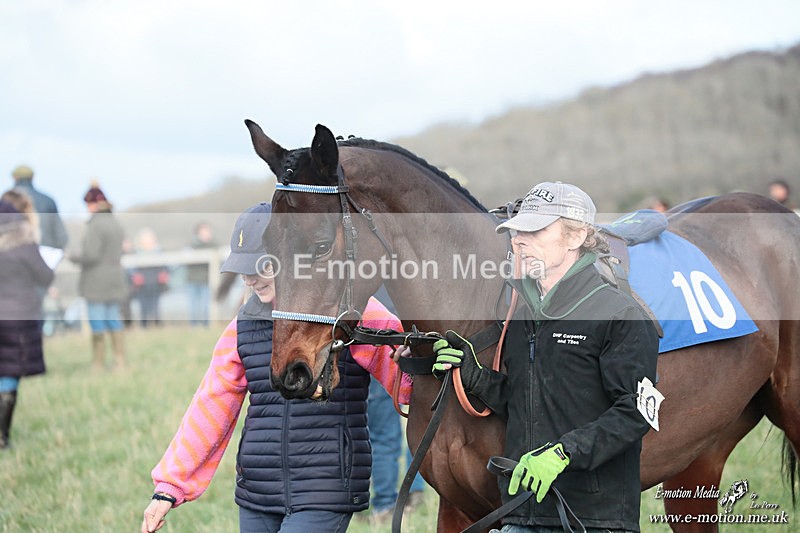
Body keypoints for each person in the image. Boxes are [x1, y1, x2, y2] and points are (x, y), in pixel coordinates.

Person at [141, 202, 412, 533]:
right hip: (258, 490)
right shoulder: (242, 326)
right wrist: (170, 486)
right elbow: (210, 405)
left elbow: (407, 381)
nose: (250, 279)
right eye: (244, 270)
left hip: (325, 487)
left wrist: (412, 362)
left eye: (261, 267)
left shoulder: (349, 309)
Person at [432, 181, 660, 532]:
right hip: (523, 513)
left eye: (535, 231)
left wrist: (562, 454)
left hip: (593, 520)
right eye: (516, 232)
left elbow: (636, 414)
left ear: (576, 236)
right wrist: (472, 373)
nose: (519, 241)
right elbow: (527, 401)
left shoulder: (620, 313)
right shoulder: (525, 316)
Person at [367, 285, 426, 523]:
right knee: (418, 422)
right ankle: (416, 488)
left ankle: (384, 505)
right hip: (409, 344)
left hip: (378, 344)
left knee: (383, 435)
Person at [0, 200, 54, 449]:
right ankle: (2, 437)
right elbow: (45, 275)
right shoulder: (24, 245)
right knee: (9, 373)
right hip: (17, 318)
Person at [68, 182, 128, 370]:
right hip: (114, 278)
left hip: (96, 281)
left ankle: (98, 363)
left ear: (93, 204)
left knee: (97, 322)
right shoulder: (115, 222)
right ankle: (119, 361)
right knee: (113, 319)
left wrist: (73, 255)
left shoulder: (95, 225)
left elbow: (91, 254)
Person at [10, 165, 68, 251]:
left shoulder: (4, 202)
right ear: (32, 178)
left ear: (15, 178)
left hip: (12, 255)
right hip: (44, 253)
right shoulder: (48, 201)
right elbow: (61, 237)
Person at [129, 228, 170, 327]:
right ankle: (144, 326)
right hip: (142, 285)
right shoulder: (136, 252)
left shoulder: (159, 252)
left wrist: (164, 274)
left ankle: (157, 325)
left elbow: (166, 266)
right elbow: (131, 268)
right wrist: (135, 276)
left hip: (156, 283)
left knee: (156, 307)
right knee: (143, 307)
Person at [186, 221, 217, 326]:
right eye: (204, 232)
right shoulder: (191, 246)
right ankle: (193, 326)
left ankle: (206, 325)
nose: (207, 234)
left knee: (206, 305)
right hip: (193, 280)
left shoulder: (213, 245)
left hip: (207, 280)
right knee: (193, 306)